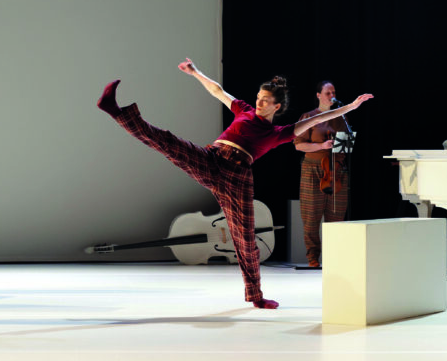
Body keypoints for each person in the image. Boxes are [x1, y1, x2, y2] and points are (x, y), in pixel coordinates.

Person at [97, 58, 372, 309]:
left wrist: (351, 107)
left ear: (277, 106)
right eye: (258, 98)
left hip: (238, 176)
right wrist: (195, 73)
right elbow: (218, 91)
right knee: (168, 142)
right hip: (213, 158)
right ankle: (116, 111)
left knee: (245, 237)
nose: (259, 103)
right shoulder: (244, 110)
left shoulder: (279, 132)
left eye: (265, 101)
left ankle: (256, 295)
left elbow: (318, 118)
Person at [293, 81, 351, 268]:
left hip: (336, 169)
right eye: (327, 92)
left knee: (336, 217)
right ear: (318, 95)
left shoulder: (341, 117)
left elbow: (347, 146)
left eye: (333, 92)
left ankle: (334, 258)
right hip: (313, 169)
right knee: (311, 217)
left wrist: (340, 149)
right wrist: (321, 146)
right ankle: (313, 259)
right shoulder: (308, 117)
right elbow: (298, 145)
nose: (331, 95)